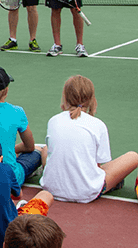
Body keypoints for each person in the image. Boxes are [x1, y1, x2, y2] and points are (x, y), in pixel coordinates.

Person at [40, 75, 138, 203]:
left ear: (65, 97)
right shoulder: (98, 125)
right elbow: (98, 166)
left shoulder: (53, 121)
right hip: (86, 192)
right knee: (133, 156)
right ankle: (113, 183)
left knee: (45, 149)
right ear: (91, 99)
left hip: (51, 189)